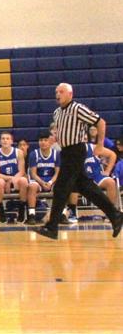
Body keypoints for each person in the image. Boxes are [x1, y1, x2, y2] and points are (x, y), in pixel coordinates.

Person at [35, 83, 123, 240]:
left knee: (61, 188)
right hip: (66, 152)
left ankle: (52, 227)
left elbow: (100, 122)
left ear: (70, 94)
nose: (57, 94)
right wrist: (54, 139)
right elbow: (61, 132)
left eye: (61, 91)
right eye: (56, 92)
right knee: (86, 187)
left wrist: (101, 144)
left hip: (76, 150)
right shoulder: (56, 113)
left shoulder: (77, 108)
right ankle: (116, 216)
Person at [0, 131, 29, 223]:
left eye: (7, 138)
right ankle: (0, 208)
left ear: (11, 141)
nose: (5, 140)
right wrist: (10, 180)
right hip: (3, 179)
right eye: (3, 138)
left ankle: (22, 208)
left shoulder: (18, 152)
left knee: (23, 180)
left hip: (17, 178)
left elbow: (22, 171)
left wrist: (13, 180)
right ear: (0, 141)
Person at [27, 131, 60, 225]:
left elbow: (58, 173)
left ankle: (62, 214)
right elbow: (33, 174)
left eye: (45, 140)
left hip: (51, 180)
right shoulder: (34, 154)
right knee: (32, 187)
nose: (43, 142)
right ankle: (32, 215)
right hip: (38, 179)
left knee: (62, 185)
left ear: (50, 142)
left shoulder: (56, 154)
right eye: (41, 140)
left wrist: (50, 182)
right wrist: (42, 183)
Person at [83, 140, 119, 206]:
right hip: (81, 178)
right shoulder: (70, 150)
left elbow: (112, 155)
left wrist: (108, 170)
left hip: (96, 176)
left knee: (111, 183)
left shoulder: (93, 147)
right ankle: (71, 211)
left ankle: (111, 212)